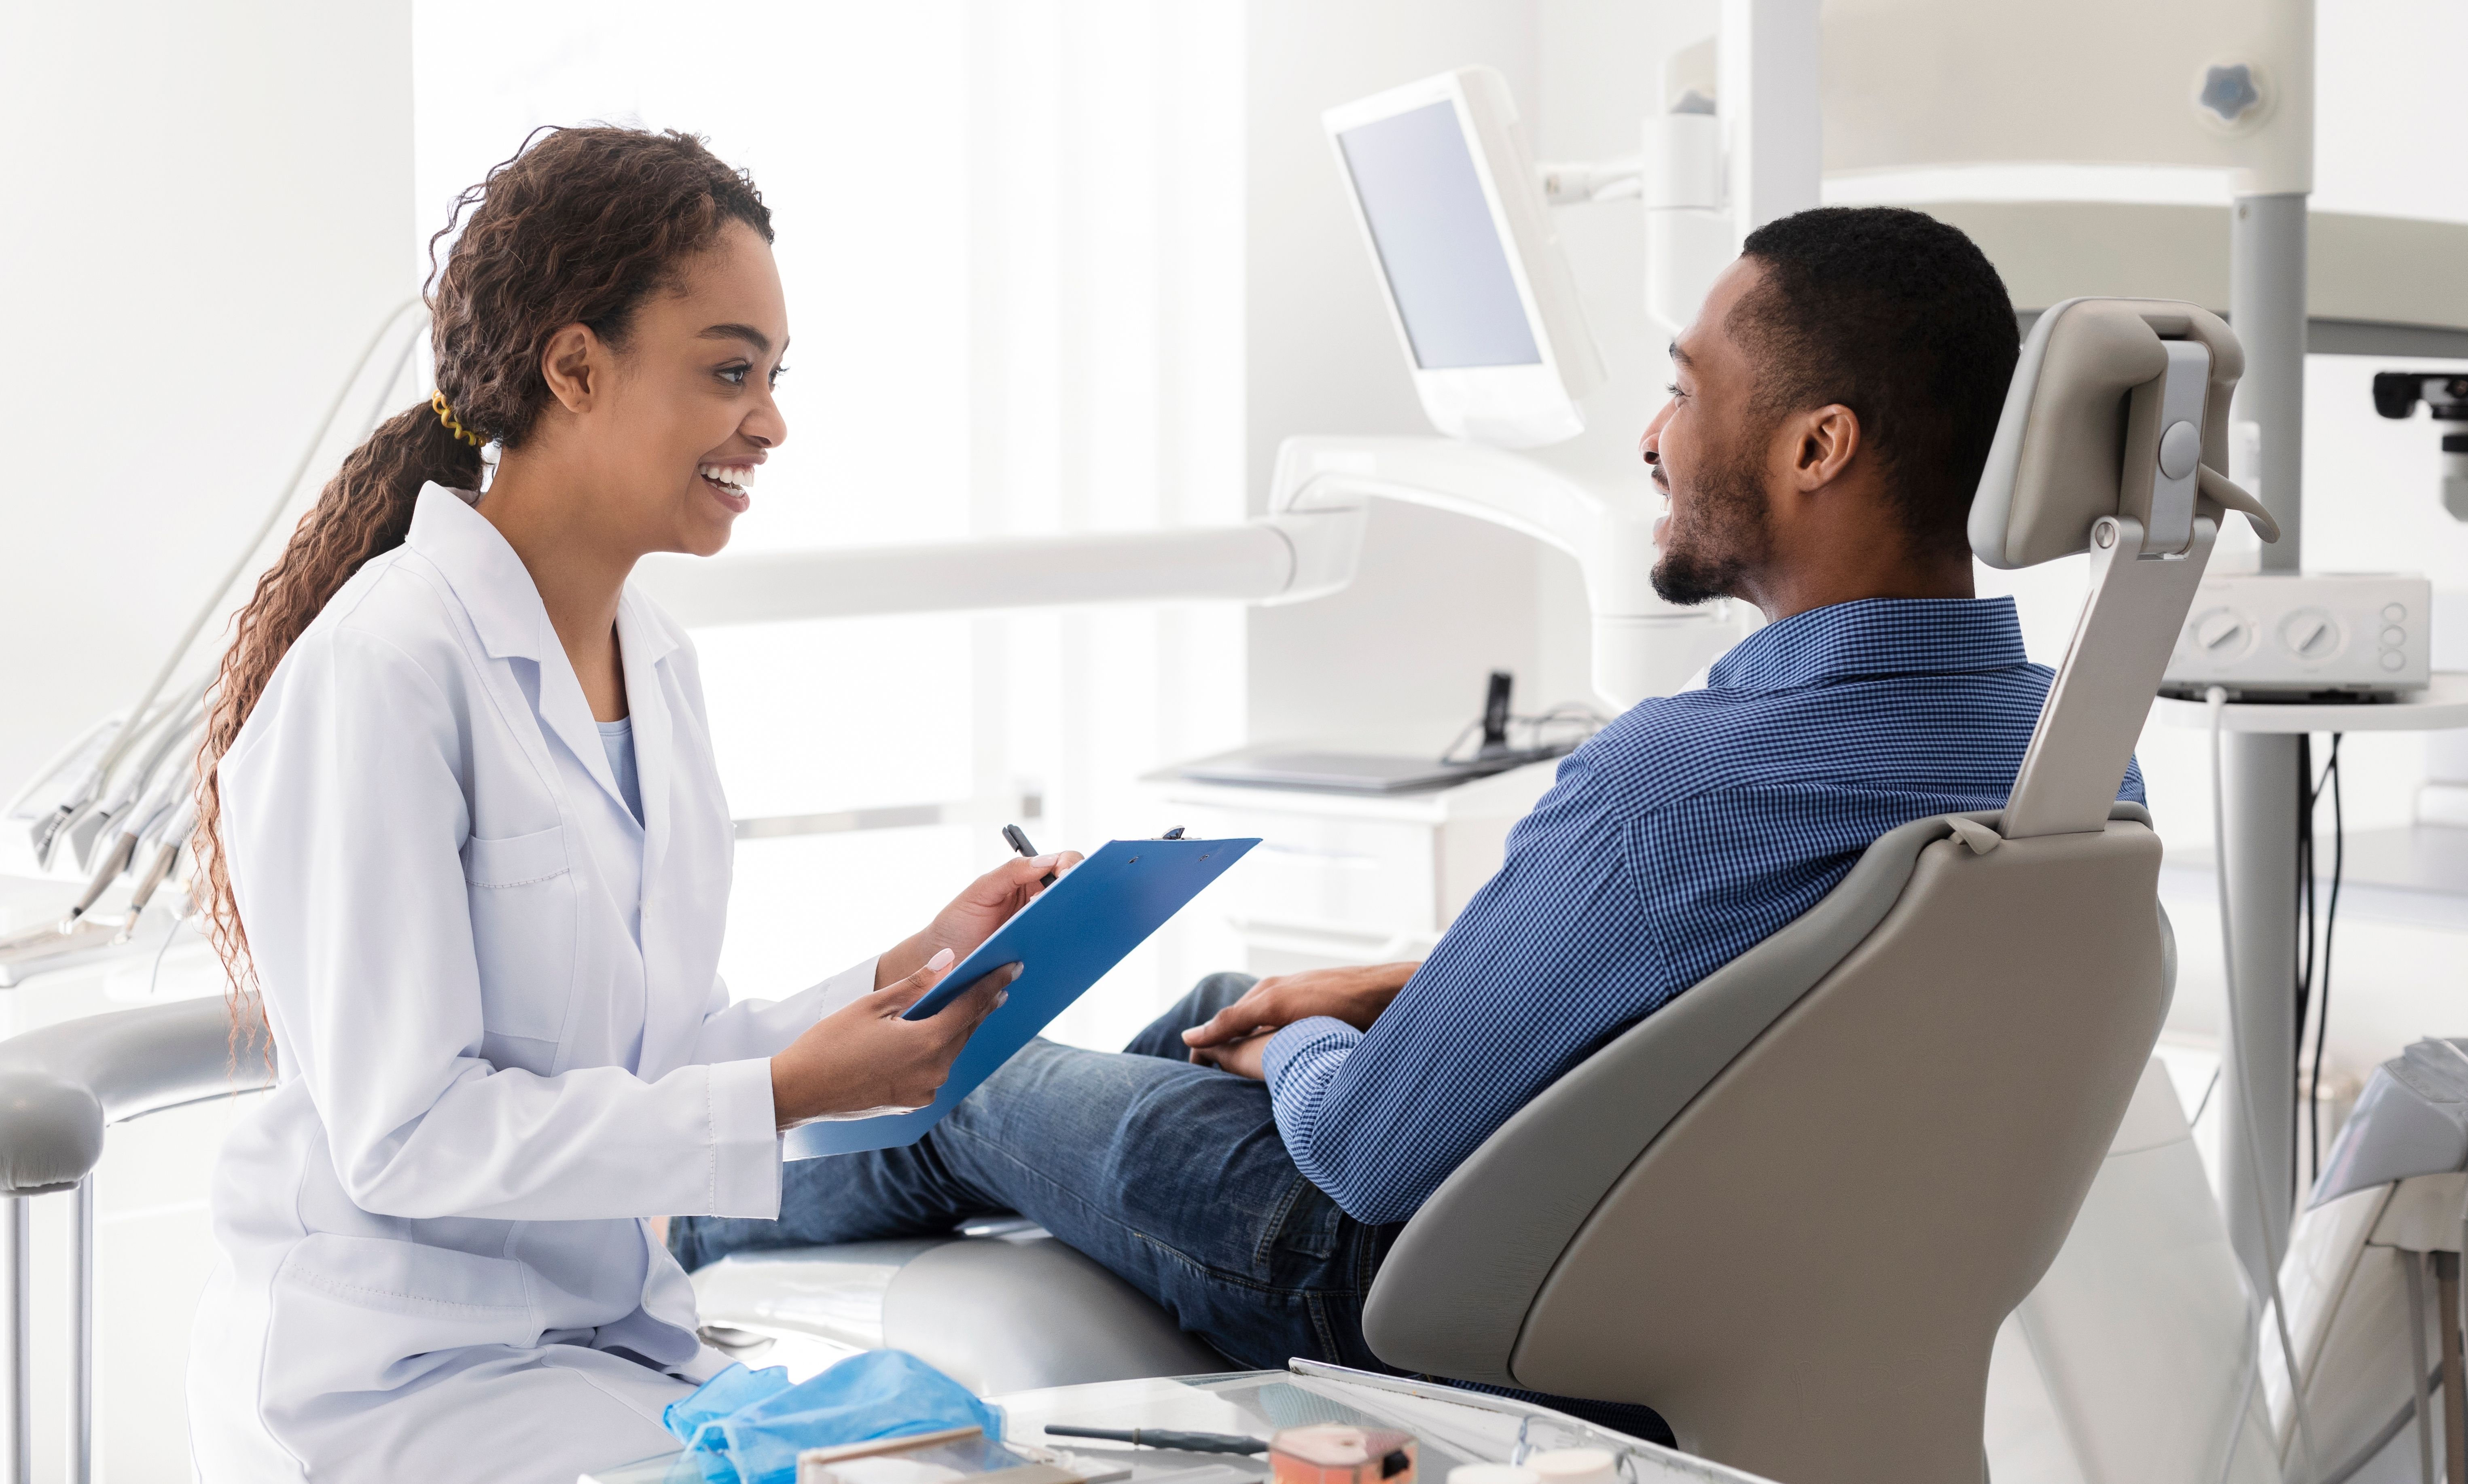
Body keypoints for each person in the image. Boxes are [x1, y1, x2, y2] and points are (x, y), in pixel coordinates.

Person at [668, 206, 2146, 1428]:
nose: (1655, 437)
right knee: (1227, 994)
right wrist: (1363, 994)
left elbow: (1370, 1156)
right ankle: (1077, 1165)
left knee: (986, 1075)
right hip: (1744, 1268)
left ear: (1817, 448)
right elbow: (1763, 1002)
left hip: (1400, 1280)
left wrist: (1300, 1047)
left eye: (1689, 391)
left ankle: (670, 1227)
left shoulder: (1672, 784)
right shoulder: (2071, 770)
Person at [186, 127, 1072, 1483]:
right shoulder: (383, 669)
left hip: (603, 1339)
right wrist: (778, 1095)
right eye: (728, 371)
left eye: (773, 378)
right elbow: (407, 1138)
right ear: (576, 369)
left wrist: (909, 972)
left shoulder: (653, 659)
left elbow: (657, 1047)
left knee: (969, 1459)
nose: (769, 422)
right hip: (401, 1375)